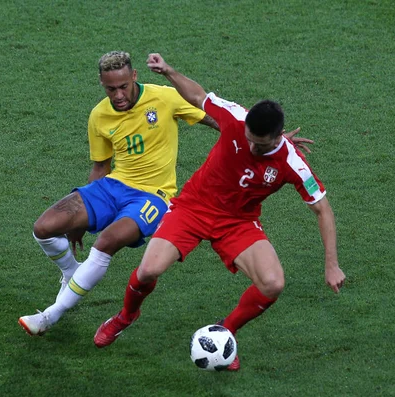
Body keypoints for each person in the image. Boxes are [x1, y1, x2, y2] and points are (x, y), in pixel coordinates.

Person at [18, 51, 316, 336]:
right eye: (111, 90)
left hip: (152, 195)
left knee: (107, 241)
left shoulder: (164, 97)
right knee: (43, 229)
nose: (119, 95)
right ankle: (71, 271)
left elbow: (222, 121)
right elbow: (100, 166)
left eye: (123, 86)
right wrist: (82, 219)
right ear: (102, 85)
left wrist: (272, 142)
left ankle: (50, 315)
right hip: (113, 186)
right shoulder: (99, 115)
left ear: (134, 76)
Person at [93, 53, 346, 371]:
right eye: (250, 140)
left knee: (273, 284)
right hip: (193, 208)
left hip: (238, 222)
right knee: (147, 271)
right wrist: (169, 70)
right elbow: (199, 96)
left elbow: (323, 209)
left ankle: (225, 332)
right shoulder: (236, 118)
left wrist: (331, 265)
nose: (252, 148)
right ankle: (124, 317)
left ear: (278, 137)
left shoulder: (291, 162)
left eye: (261, 145)